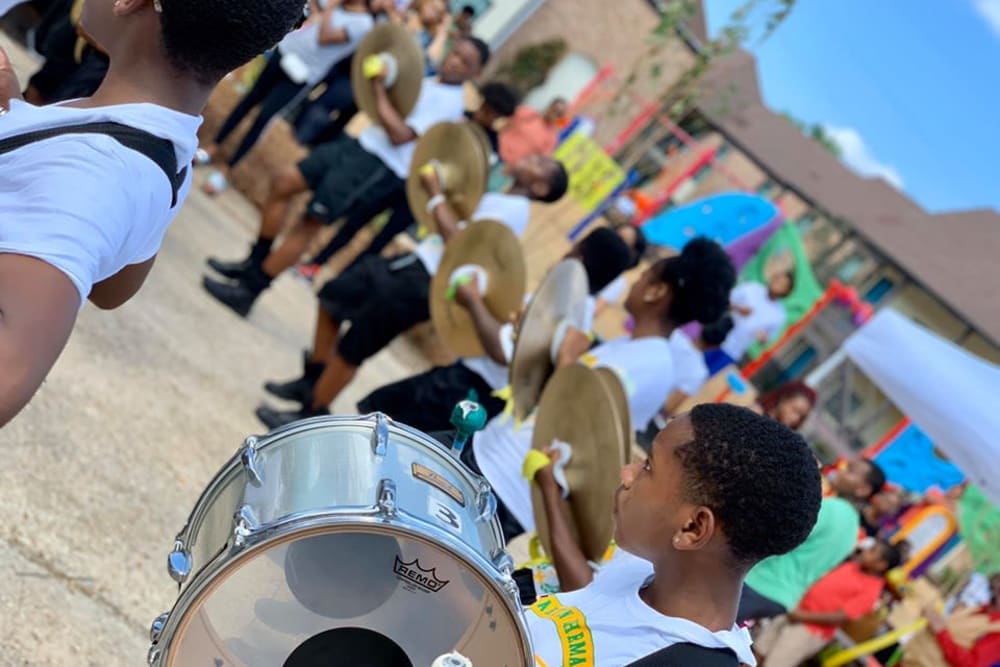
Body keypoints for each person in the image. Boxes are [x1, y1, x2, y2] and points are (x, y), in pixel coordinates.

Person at [0, 0, 304, 428]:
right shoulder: (164, 141)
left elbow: (8, 376)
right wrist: (13, 118)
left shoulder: (94, 169)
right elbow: (112, 287)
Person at [253, 151, 569, 429]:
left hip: (426, 282)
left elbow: (459, 243)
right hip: (416, 263)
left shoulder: (515, 211)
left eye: (540, 164)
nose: (533, 156)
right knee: (334, 296)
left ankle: (311, 412)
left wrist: (434, 194)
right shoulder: (501, 197)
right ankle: (313, 380)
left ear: (540, 188)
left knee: (357, 343)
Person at [468, 238, 736, 543]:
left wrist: (568, 358)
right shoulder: (630, 347)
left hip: (505, 486)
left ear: (656, 291)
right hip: (491, 455)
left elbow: (576, 414)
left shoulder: (651, 364)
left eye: (645, 277)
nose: (637, 282)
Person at [202, 35, 490, 317]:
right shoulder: (431, 82)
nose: (454, 62)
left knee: (310, 223)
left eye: (465, 62)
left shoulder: (448, 103)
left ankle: (250, 290)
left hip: (377, 164)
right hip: (358, 144)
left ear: (475, 73)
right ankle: (254, 263)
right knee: (283, 183)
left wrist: (377, 87)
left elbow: (400, 135)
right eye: (455, 53)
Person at [525, 404, 823, 666]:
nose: (627, 473)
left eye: (648, 466)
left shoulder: (680, 660)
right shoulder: (648, 568)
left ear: (692, 528)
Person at [345, 226, 634, 433]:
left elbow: (502, 352)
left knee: (376, 423)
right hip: (477, 394)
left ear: (579, 255)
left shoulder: (562, 306)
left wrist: (473, 301)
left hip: (469, 390)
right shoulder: (581, 316)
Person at [293, 79, 521, 280]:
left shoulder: (490, 148)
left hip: (425, 195)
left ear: (500, 117)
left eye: (492, 112)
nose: (484, 114)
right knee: (356, 217)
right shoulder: (458, 117)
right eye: (485, 107)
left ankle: (342, 280)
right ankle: (316, 264)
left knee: (381, 239)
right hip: (402, 174)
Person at [196, 0, 375, 195]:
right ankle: (212, 147)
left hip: (303, 74)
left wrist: (330, 7)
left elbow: (326, 37)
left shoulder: (363, 24)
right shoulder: (338, 7)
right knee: (248, 101)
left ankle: (226, 170)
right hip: (285, 52)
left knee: (264, 118)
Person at [737, 456, 887, 623]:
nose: (841, 470)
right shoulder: (854, 530)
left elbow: (779, 533)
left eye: (850, 471)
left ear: (863, 489)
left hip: (758, 582)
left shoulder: (829, 508)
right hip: (783, 598)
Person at [753, 540, 904, 667]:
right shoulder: (853, 566)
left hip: (810, 631)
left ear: (881, 565)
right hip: (795, 611)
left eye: (872, 551)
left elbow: (841, 617)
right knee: (756, 653)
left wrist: (802, 616)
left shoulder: (871, 591)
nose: (866, 551)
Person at [924, 572, 1000, 667]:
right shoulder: (980, 609)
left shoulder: (997, 631)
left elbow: (971, 664)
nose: (992, 594)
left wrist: (941, 632)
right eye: (991, 589)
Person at [721, 271, 793, 363]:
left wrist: (762, 338)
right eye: (777, 278)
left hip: (732, 350)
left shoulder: (779, 315)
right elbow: (725, 301)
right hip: (717, 333)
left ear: (787, 291)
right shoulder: (752, 288)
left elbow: (767, 339)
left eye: (782, 284)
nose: (777, 283)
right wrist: (738, 309)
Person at [498, 96, 567, 166]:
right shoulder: (529, 113)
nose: (554, 115)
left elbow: (541, 160)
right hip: (496, 151)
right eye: (554, 110)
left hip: (511, 166)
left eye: (559, 114)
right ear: (550, 106)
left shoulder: (552, 139)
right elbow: (504, 122)